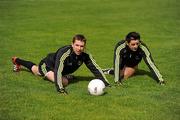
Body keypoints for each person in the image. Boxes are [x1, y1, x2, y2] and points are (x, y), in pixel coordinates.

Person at [12, 34, 110, 94]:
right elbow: (58, 70)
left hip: (59, 69)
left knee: (37, 70)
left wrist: (105, 83)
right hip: (47, 65)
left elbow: (95, 68)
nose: (79, 48)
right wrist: (60, 89)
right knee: (39, 71)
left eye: (82, 46)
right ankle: (18, 61)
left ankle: (18, 61)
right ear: (72, 44)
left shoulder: (85, 55)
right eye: (77, 45)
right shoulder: (64, 53)